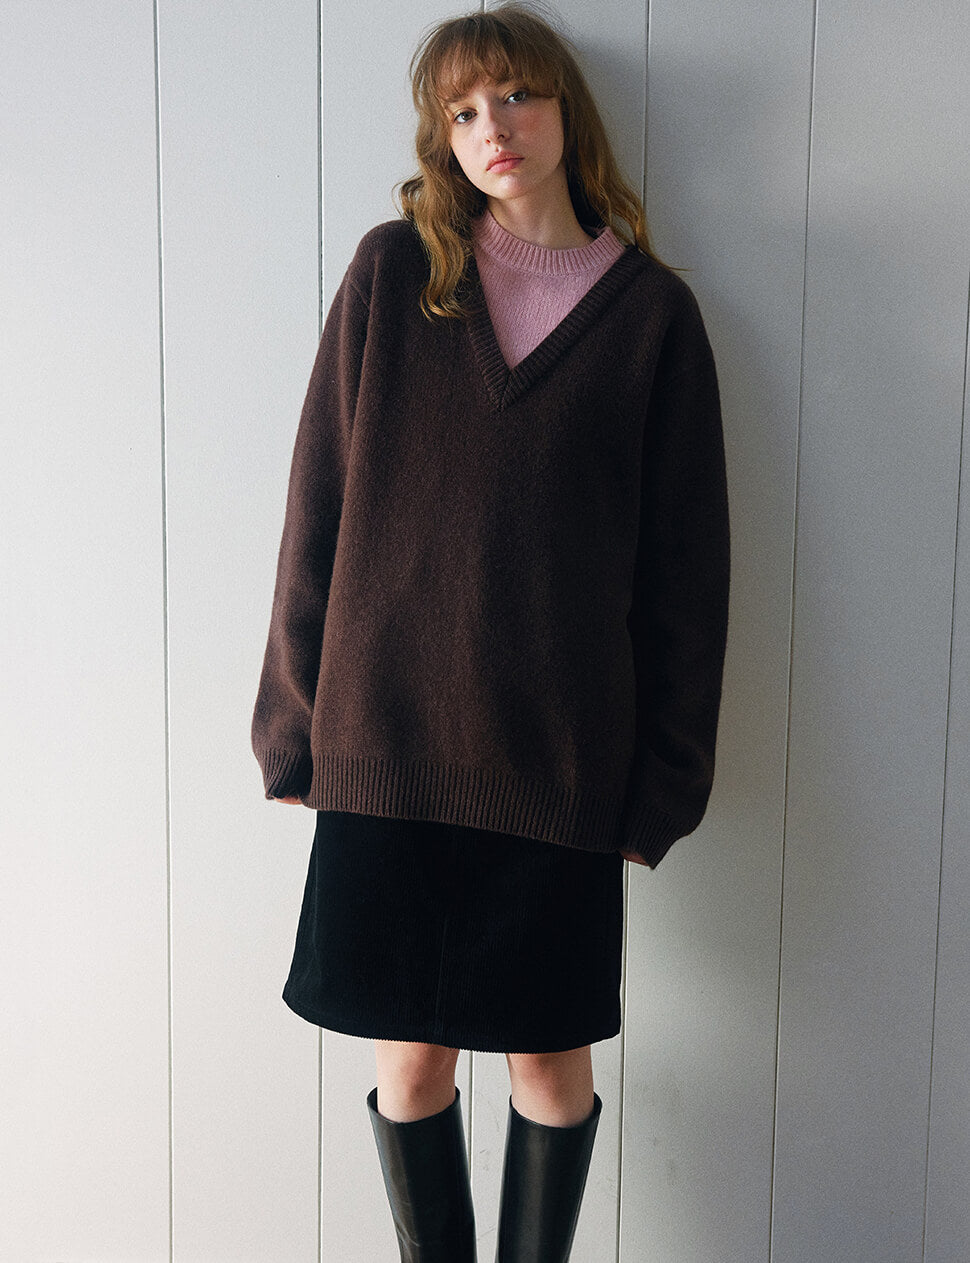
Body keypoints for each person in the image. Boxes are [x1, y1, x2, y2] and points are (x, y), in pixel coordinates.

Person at [251, 2, 730, 1258]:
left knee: (548, 1069)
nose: (491, 127)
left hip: (554, 765)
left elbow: (686, 582)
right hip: (387, 746)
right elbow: (318, 504)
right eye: (461, 112)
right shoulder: (394, 276)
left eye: (514, 95)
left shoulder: (652, 322)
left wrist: (664, 784)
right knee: (411, 1067)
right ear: (440, 139)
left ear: (565, 109)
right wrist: (293, 723)